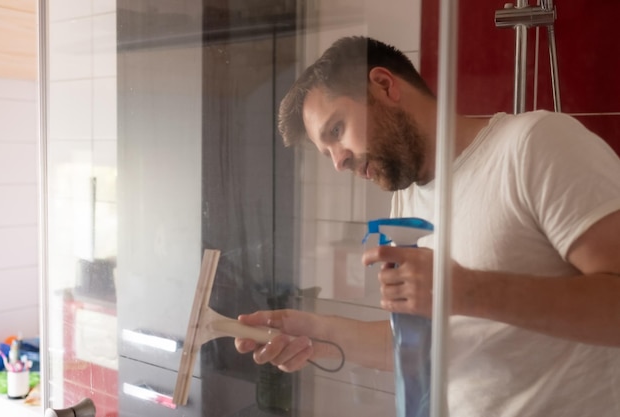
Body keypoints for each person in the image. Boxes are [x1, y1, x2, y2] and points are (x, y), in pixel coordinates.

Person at [234, 36, 620, 416]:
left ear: (384, 85)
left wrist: (467, 290)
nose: (339, 162)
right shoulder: (407, 200)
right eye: (328, 153)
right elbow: (429, 343)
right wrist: (318, 335)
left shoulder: (534, 146)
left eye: (337, 131)